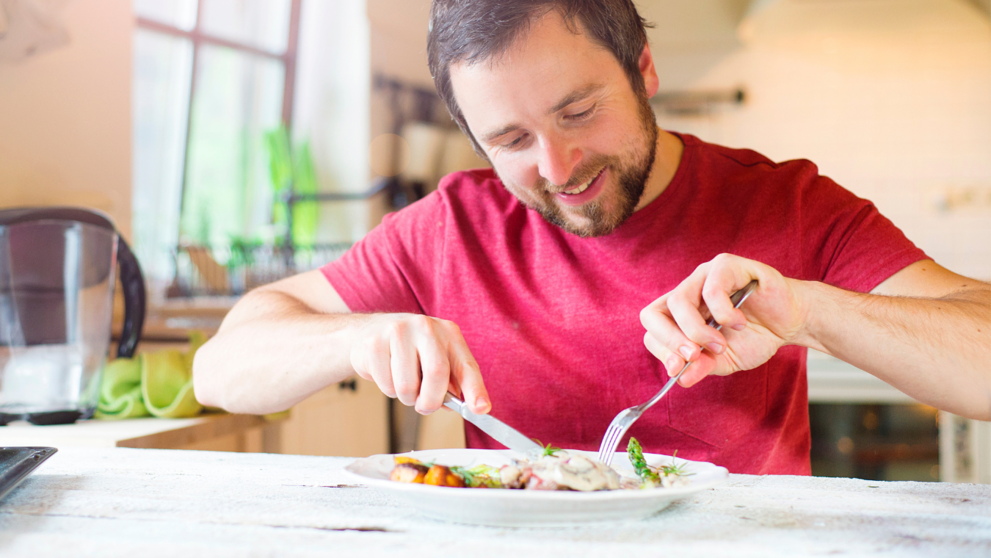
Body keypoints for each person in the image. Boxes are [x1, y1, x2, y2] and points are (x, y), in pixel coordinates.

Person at [193, 0, 990, 474]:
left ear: (642, 68)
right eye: (509, 140)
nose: (557, 166)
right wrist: (355, 337)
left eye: (578, 112)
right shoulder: (452, 227)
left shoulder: (782, 202)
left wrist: (809, 313)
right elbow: (223, 368)